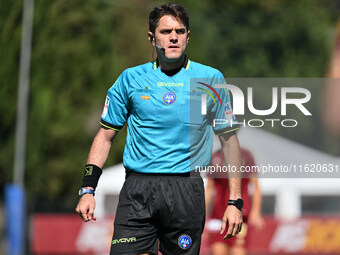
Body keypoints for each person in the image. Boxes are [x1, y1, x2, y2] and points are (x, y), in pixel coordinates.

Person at [75, 3, 243, 255]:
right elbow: (105, 136)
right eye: (166, 32)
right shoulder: (130, 79)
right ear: (152, 38)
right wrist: (88, 189)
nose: (174, 37)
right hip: (138, 191)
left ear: (188, 36)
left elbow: (229, 142)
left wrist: (235, 201)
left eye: (180, 30)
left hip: (186, 191)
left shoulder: (211, 79)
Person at [205, 148, 264, 255]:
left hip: (240, 216)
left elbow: (256, 186)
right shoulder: (214, 157)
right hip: (219, 217)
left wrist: (256, 211)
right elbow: (209, 188)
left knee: (238, 251)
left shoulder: (246, 155)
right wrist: (202, 215)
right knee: (218, 251)